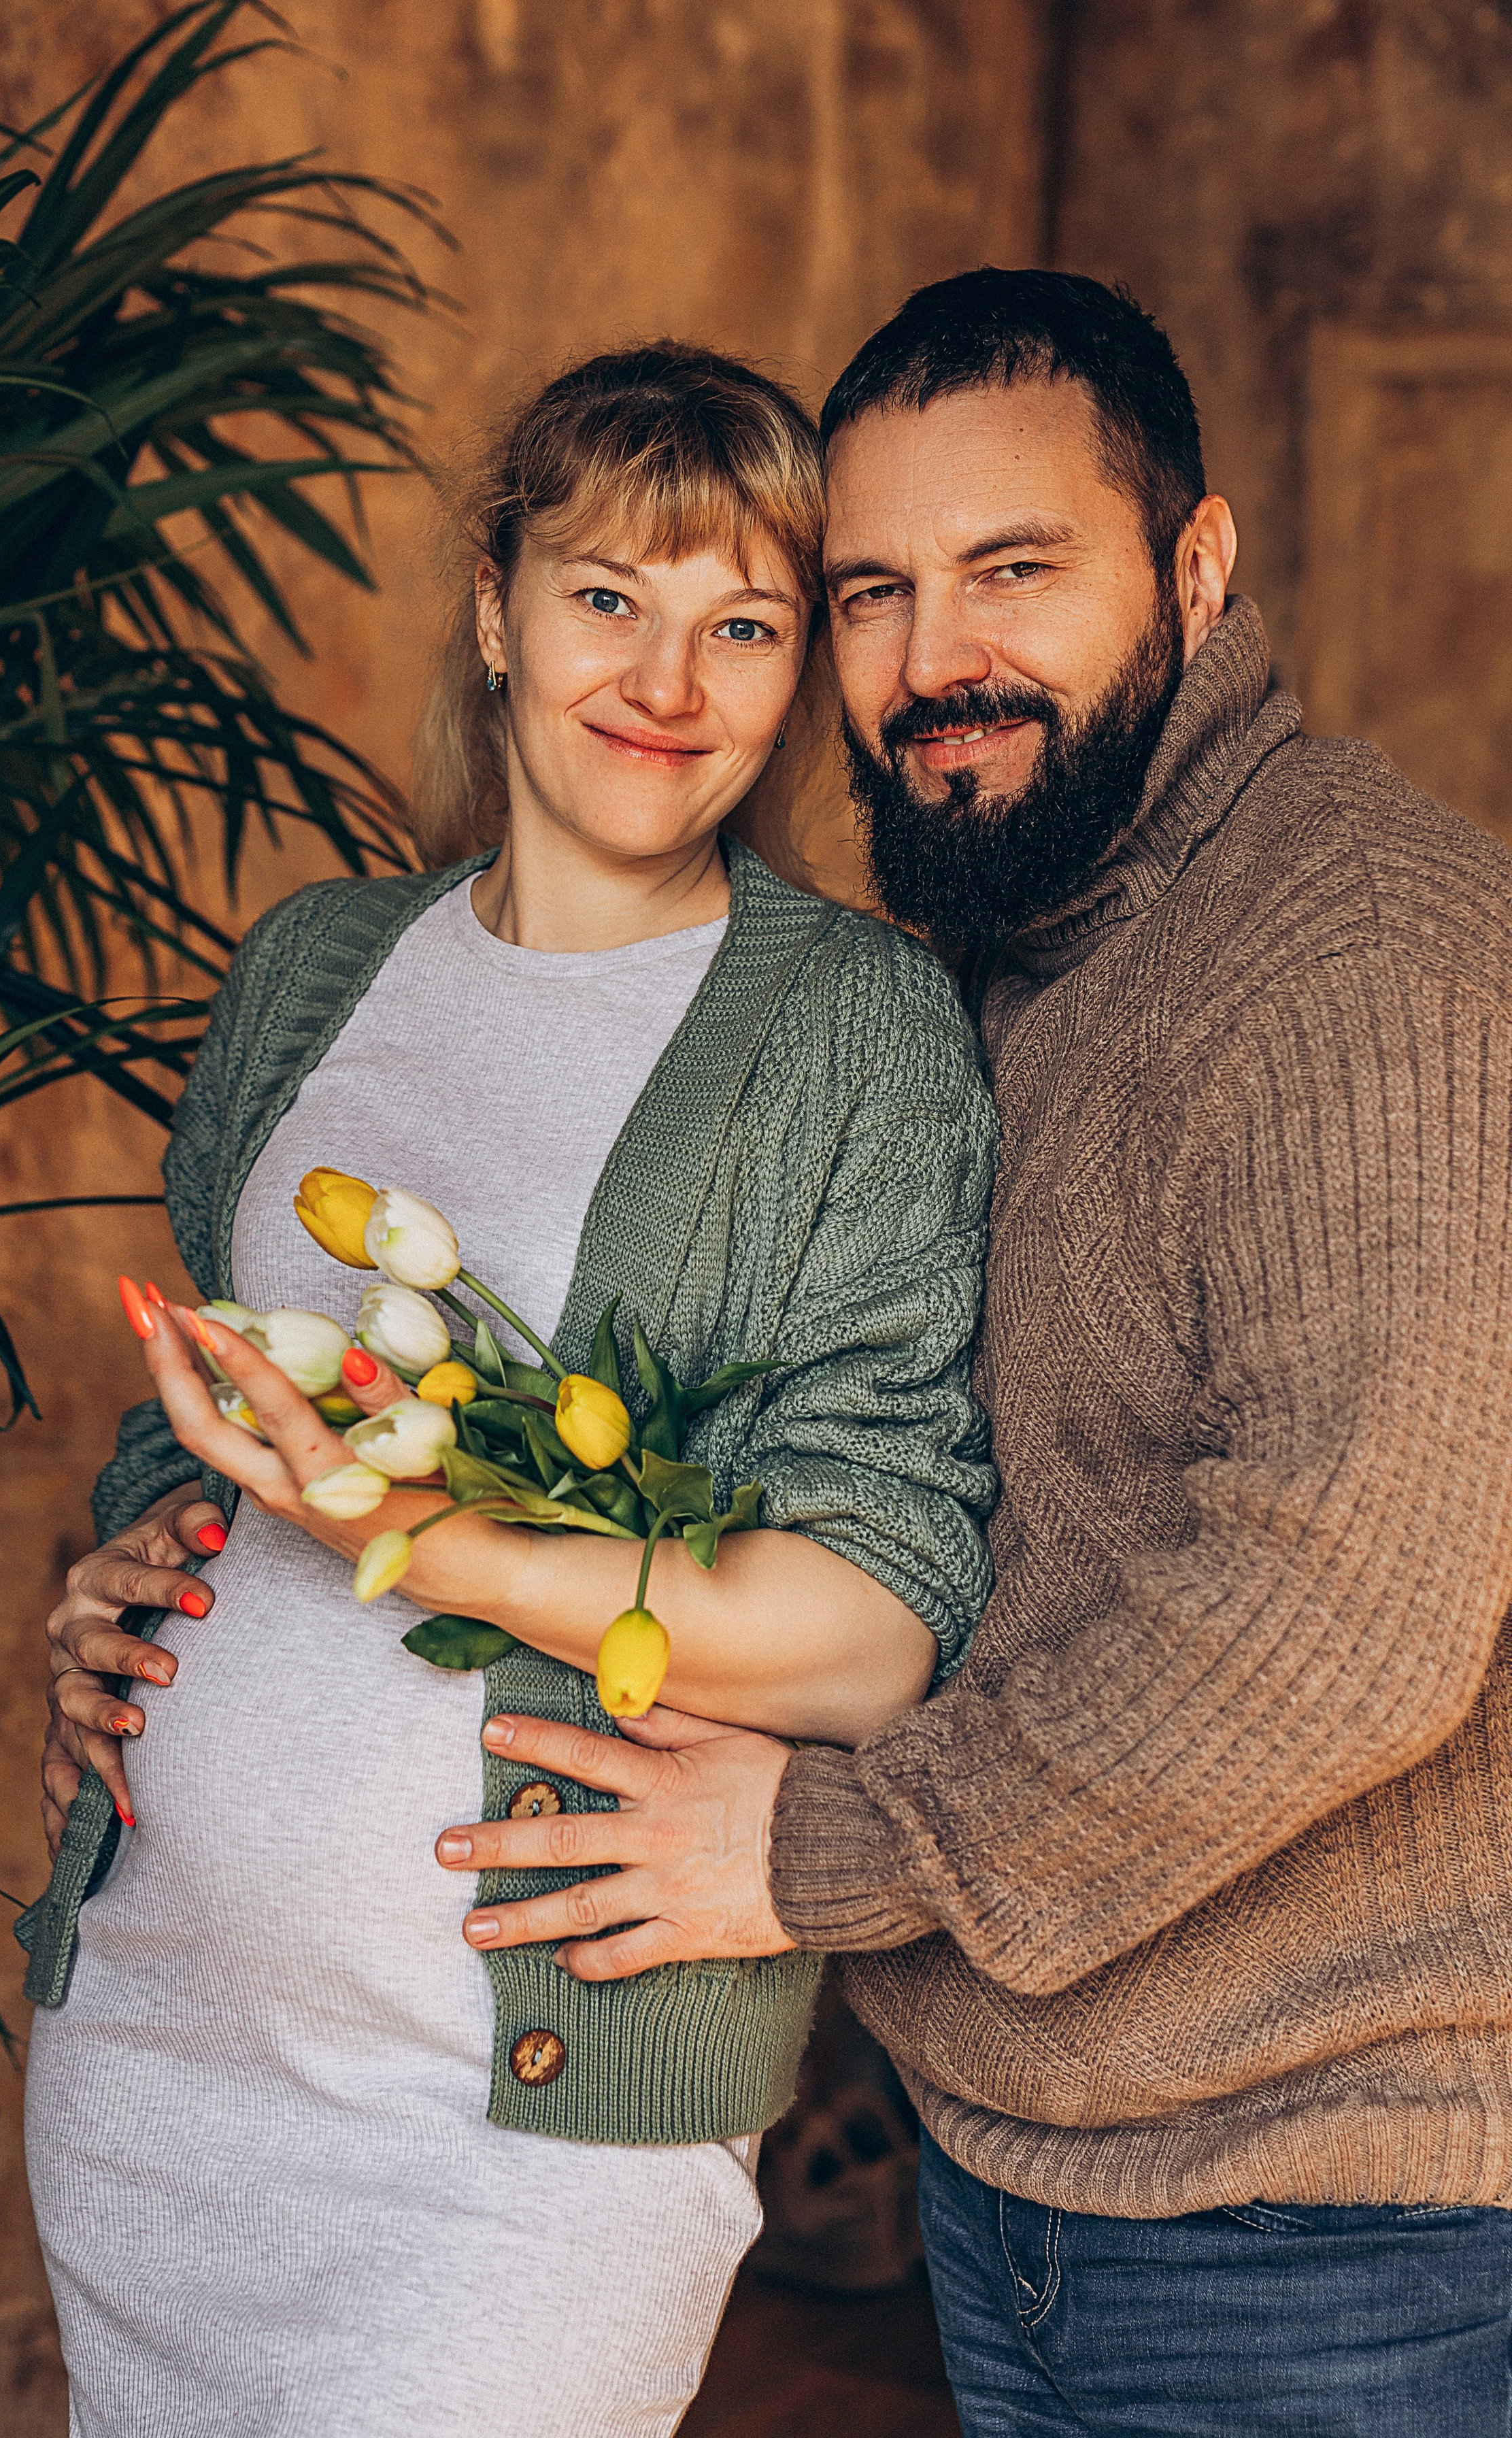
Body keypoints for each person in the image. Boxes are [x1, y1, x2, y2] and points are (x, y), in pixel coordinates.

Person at [431, 271, 1512, 2433]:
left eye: (1016, 572)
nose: (936, 664)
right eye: (871, 593)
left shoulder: (1359, 952)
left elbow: (1358, 1601)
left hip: (1331, 2241)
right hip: (1031, 2192)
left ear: (1196, 570)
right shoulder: (1010, 959)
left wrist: (821, 1855)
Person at [20, 340, 998, 2438]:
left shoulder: (856, 1030)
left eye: (744, 623)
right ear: (497, 608)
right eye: (608, 600)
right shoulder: (311, 965)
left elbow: (877, 1626)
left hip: (524, 2126)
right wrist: (116, 1574)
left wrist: (409, 1537)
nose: (671, 679)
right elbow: (209, 1392)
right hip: (162, 2054)